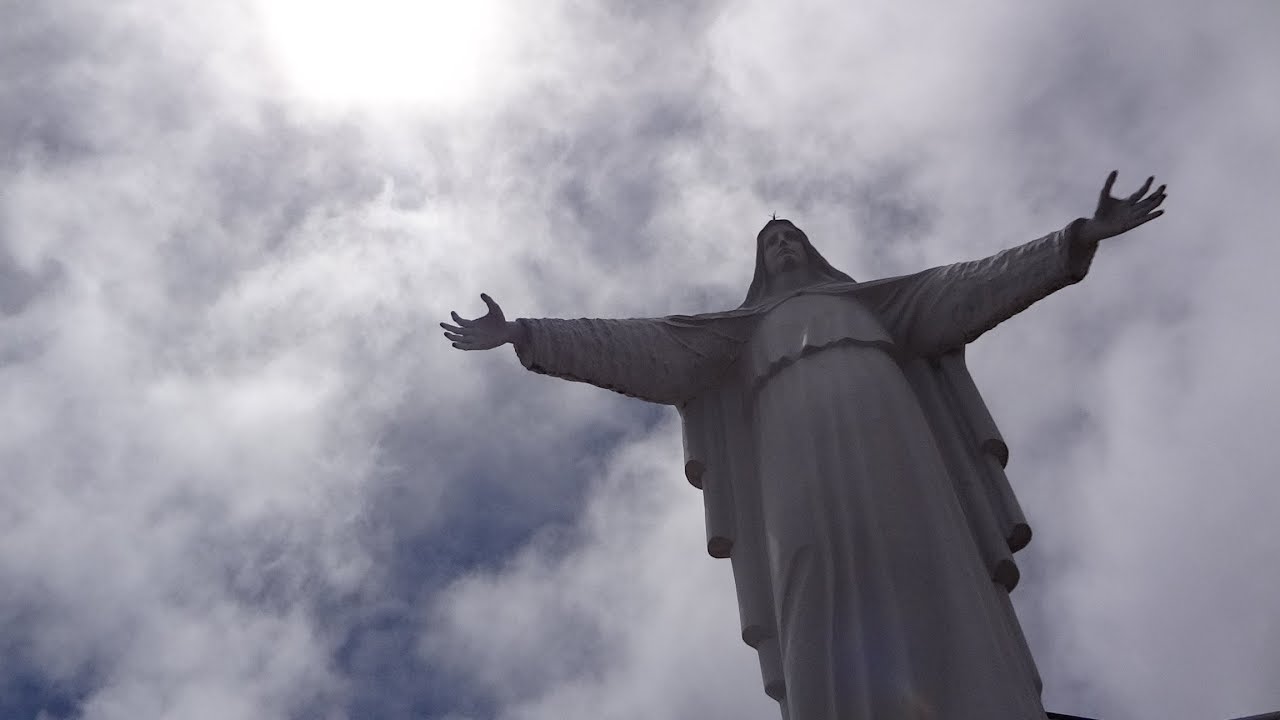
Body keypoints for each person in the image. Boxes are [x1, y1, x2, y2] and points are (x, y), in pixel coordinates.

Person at [442, 172, 1165, 720]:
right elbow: (642, 347)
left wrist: (1074, 239)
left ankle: (974, 692)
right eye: (771, 244)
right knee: (810, 565)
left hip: (891, 432)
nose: (784, 245)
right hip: (791, 449)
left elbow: (973, 285)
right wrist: (526, 333)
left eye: (792, 237)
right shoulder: (733, 335)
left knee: (924, 547)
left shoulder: (880, 305)